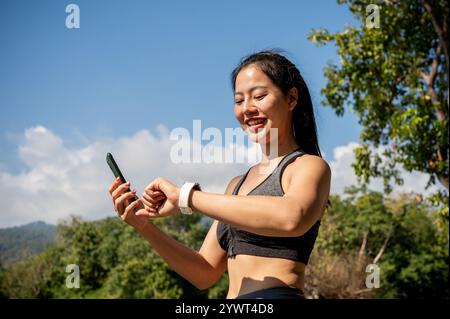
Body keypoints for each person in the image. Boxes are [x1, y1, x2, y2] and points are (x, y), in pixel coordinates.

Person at [108, 50, 331, 299]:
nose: (247, 108)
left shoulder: (308, 166)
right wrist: (145, 226)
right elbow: (204, 273)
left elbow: (292, 217)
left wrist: (186, 198)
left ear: (291, 99)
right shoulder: (236, 186)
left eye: (259, 96)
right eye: (238, 100)